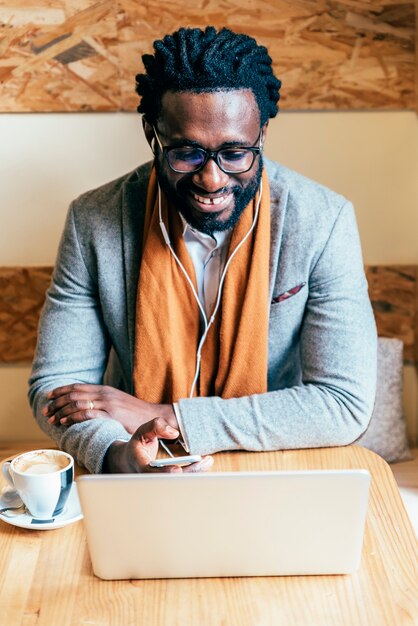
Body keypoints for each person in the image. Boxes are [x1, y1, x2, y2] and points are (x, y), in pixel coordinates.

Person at [29, 26, 377, 474]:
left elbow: (345, 403)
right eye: (186, 153)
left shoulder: (323, 222)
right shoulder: (93, 221)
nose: (211, 179)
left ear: (263, 135)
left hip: (276, 465)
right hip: (136, 470)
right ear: (152, 134)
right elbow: (56, 388)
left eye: (234, 153)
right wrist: (119, 454)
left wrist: (167, 417)